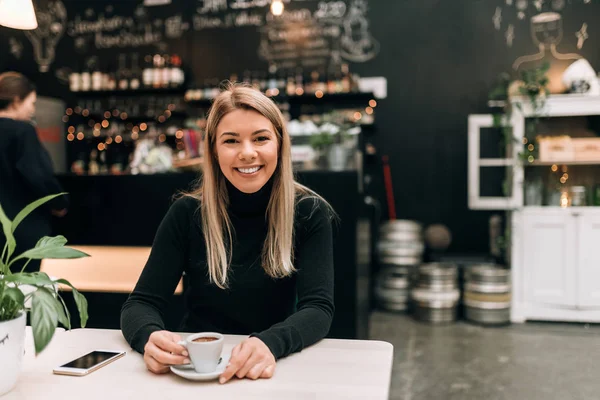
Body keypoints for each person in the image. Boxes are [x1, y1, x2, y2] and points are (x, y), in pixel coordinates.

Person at [121, 83, 335, 384]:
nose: (247, 153)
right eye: (231, 141)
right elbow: (140, 304)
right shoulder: (187, 213)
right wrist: (149, 337)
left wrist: (270, 344)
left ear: (279, 145)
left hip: (273, 370)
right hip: (197, 373)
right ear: (214, 151)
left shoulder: (309, 212)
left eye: (261, 138)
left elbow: (319, 309)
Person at [0, 72, 68, 273]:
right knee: (22, 295)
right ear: (16, 101)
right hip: (20, 231)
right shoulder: (22, 132)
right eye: (31, 103)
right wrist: (59, 203)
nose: (33, 110)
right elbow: (37, 175)